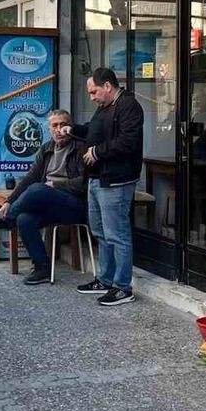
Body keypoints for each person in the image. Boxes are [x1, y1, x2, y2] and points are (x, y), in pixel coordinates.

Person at [57, 68, 144, 307]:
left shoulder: (128, 105)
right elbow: (94, 132)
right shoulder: (104, 107)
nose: (92, 97)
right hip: (97, 179)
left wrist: (97, 152)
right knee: (100, 232)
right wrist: (73, 130)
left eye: (94, 92)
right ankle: (105, 280)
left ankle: (123, 287)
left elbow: (128, 141)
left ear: (107, 86)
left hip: (116, 180)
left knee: (117, 234)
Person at [0, 109, 88, 285]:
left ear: (71, 126)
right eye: (55, 126)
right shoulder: (46, 148)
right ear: (49, 129)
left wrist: (55, 185)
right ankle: (42, 268)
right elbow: (30, 177)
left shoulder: (80, 148)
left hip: (73, 205)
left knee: (38, 189)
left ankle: (6, 221)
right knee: (24, 219)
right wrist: (9, 201)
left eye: (63, 125)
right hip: (48, 203)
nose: (59, 129)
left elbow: (84, 183)